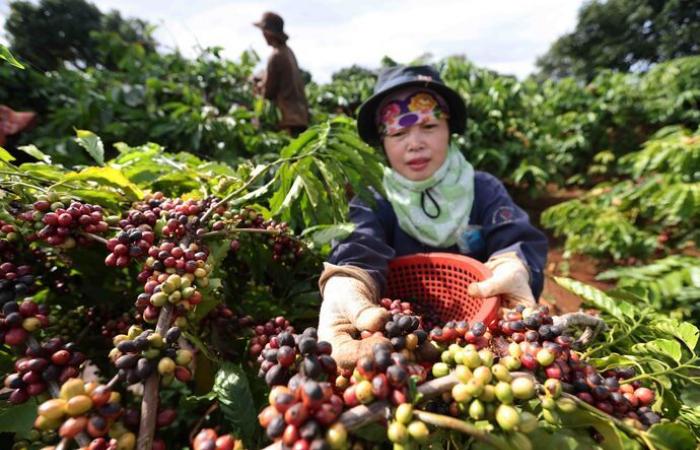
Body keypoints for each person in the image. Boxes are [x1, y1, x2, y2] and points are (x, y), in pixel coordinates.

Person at [317, 65, 549, 368]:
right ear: (383, 142)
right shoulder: (374, 200)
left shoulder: (482, 189)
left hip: (482, 336)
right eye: (399, 132)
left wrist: (514, 263)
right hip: (401, 347)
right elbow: (359, 246)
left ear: (449, 130)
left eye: (428, 127)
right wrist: (346, 283)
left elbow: (514, 236)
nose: (415, 143)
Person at [253, 12, 309, 137]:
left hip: (288, 121)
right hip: (300, 117)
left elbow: (268, 92)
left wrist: (259, 86)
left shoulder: (276, 56)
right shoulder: (288, 52)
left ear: (268, 33)